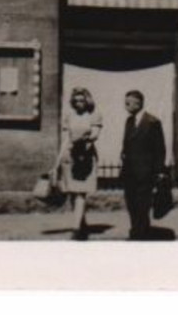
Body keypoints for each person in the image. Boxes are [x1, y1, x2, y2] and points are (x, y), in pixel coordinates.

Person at [120, 90, 167, 240]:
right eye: (125, 102)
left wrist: (159, 171)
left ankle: (140, 233)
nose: (126, 105)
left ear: (138, 103)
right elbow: (126, 144)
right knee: (131, 203)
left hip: (146, 172)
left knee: (143, 205)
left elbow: (160, 149)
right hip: (129, 172)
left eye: (128, 102)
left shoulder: (153, 122)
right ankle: (137, 229)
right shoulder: (128, 121)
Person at [57, 87, 103, 240]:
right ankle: (82, 225)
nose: (79, 103)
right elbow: (65, 138)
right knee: (72, 192)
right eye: (76, 100)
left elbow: (95, 135)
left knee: (81, 192)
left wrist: (83, 144)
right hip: (69, 156)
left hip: (85, 156)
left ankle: (76, 229)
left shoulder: (94, 115)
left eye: (81, 100)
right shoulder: (68, 115)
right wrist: (58, 159)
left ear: (87, 100)